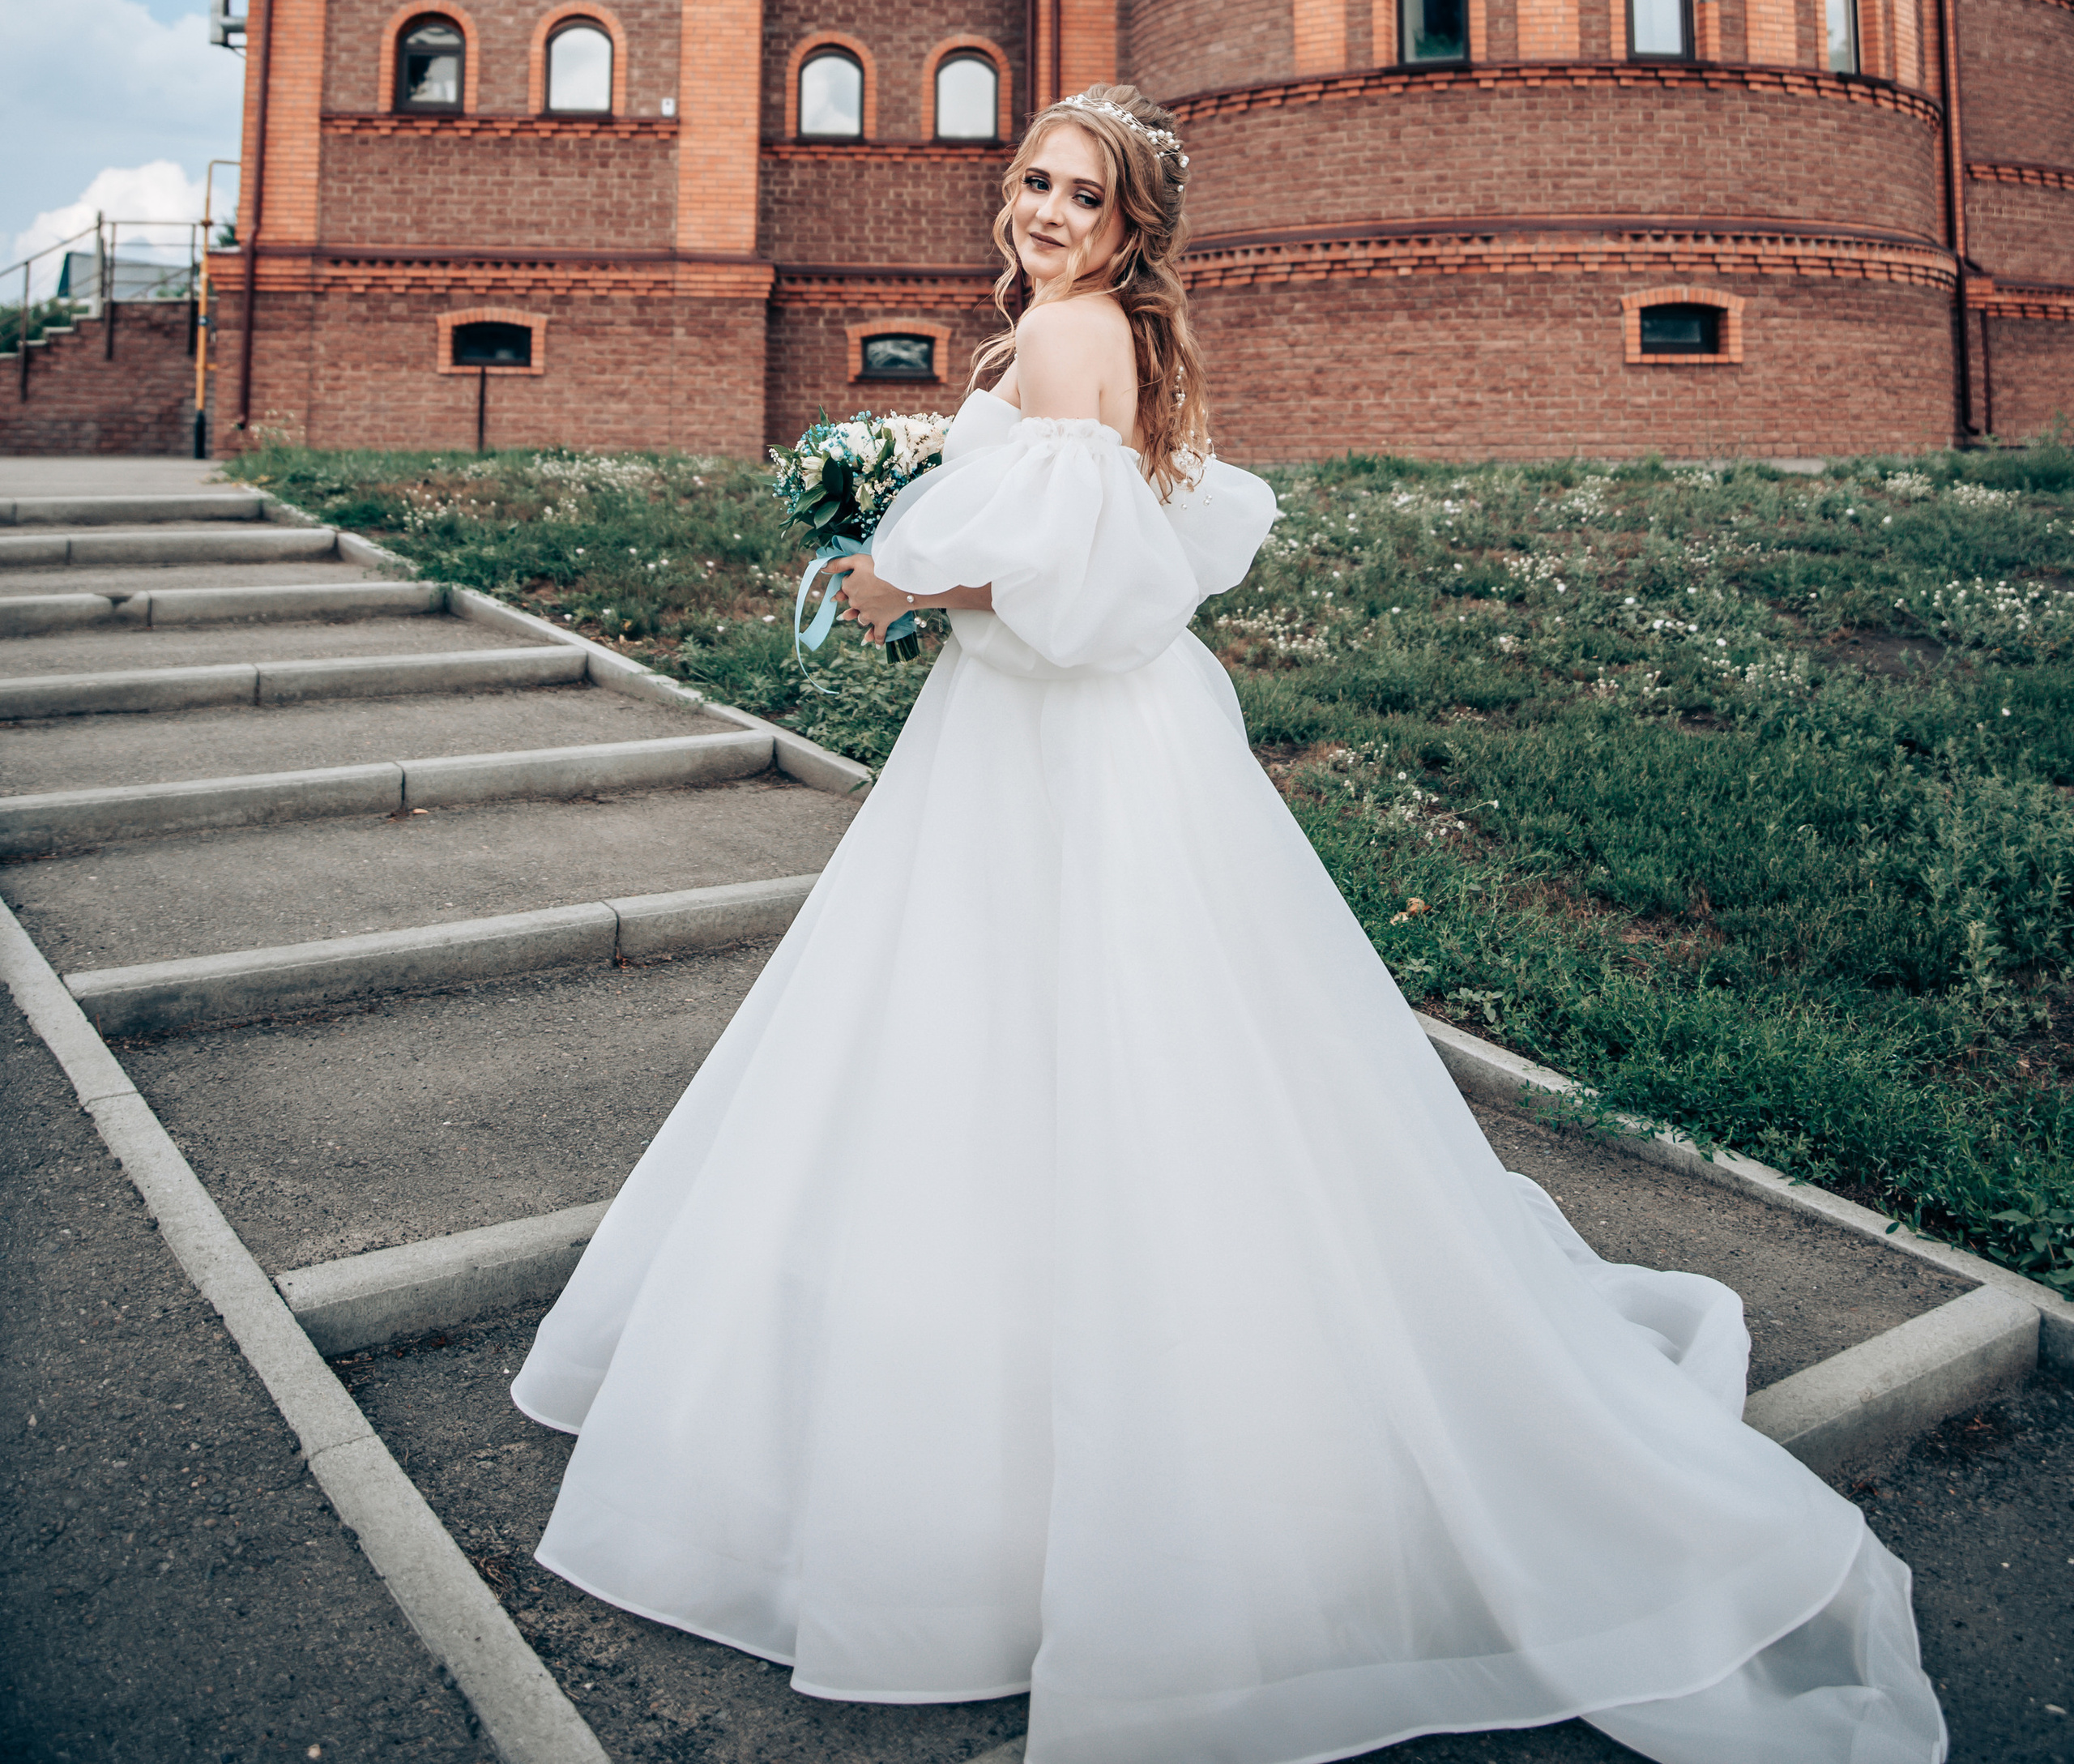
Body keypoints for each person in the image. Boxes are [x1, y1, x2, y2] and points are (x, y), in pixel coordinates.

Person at [513, 84, 1945, 1764]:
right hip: (1094, 740)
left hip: (1060, 745)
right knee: (1109, 1043)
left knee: (1032, 1039)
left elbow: (1069, 590)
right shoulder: (1078, 333)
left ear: (1127, 227)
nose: (1044, 209)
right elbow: (1124, 533)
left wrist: (905, 579)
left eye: (1080, 193)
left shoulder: (1062, 338)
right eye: (1033, 180)